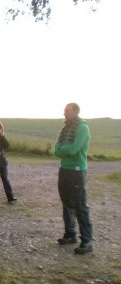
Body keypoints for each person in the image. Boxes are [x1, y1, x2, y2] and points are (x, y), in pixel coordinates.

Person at [54, 102, 93, 254]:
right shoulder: (66, 128)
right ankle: (70, 235)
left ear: (75, 112)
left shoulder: (83, 128)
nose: (64, 113)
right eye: (64, 110)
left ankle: (87, 241)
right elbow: (56, 150)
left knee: (80, 206)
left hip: (77, 171)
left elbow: (73, 149)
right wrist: (64, 150)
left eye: (67, 111)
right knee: (66, 202)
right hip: (64, 169)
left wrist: (63, 150)